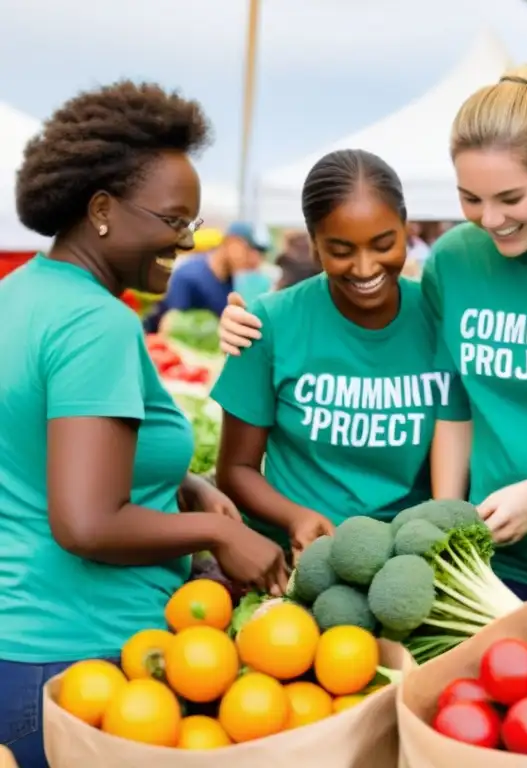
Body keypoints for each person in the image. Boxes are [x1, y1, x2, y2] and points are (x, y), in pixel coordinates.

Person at [217, 66, 527, 603]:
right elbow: (455, 403)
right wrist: (444, 526)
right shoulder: (455, 260)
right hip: (486, 563)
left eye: (510, 199)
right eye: (470, 199)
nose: (490, 220)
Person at [0, 81, 287, 768]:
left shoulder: (20, 296)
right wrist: (220, 531)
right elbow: (87, 523)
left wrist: (183, 482)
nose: (185, 242)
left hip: (20, 646)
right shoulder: (94, 323)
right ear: (101, 210)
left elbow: (35, 447)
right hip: (83, 665)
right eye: (172, 220)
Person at [211, 149, 452, 558]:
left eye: (383, 244)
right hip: (299, 561)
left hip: (410, 561)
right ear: (314, 245)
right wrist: (294, 517)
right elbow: (235, 471)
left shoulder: (441, 317)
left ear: (406, 229)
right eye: (341, 250)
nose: (364, 268)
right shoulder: (267, 324)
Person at [144, 220, 270, 332]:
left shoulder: (230, 281)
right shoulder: (189, 277)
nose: (255, 260)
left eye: (261, 255)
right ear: (231, 242)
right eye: (250, 250)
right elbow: (169, 327)